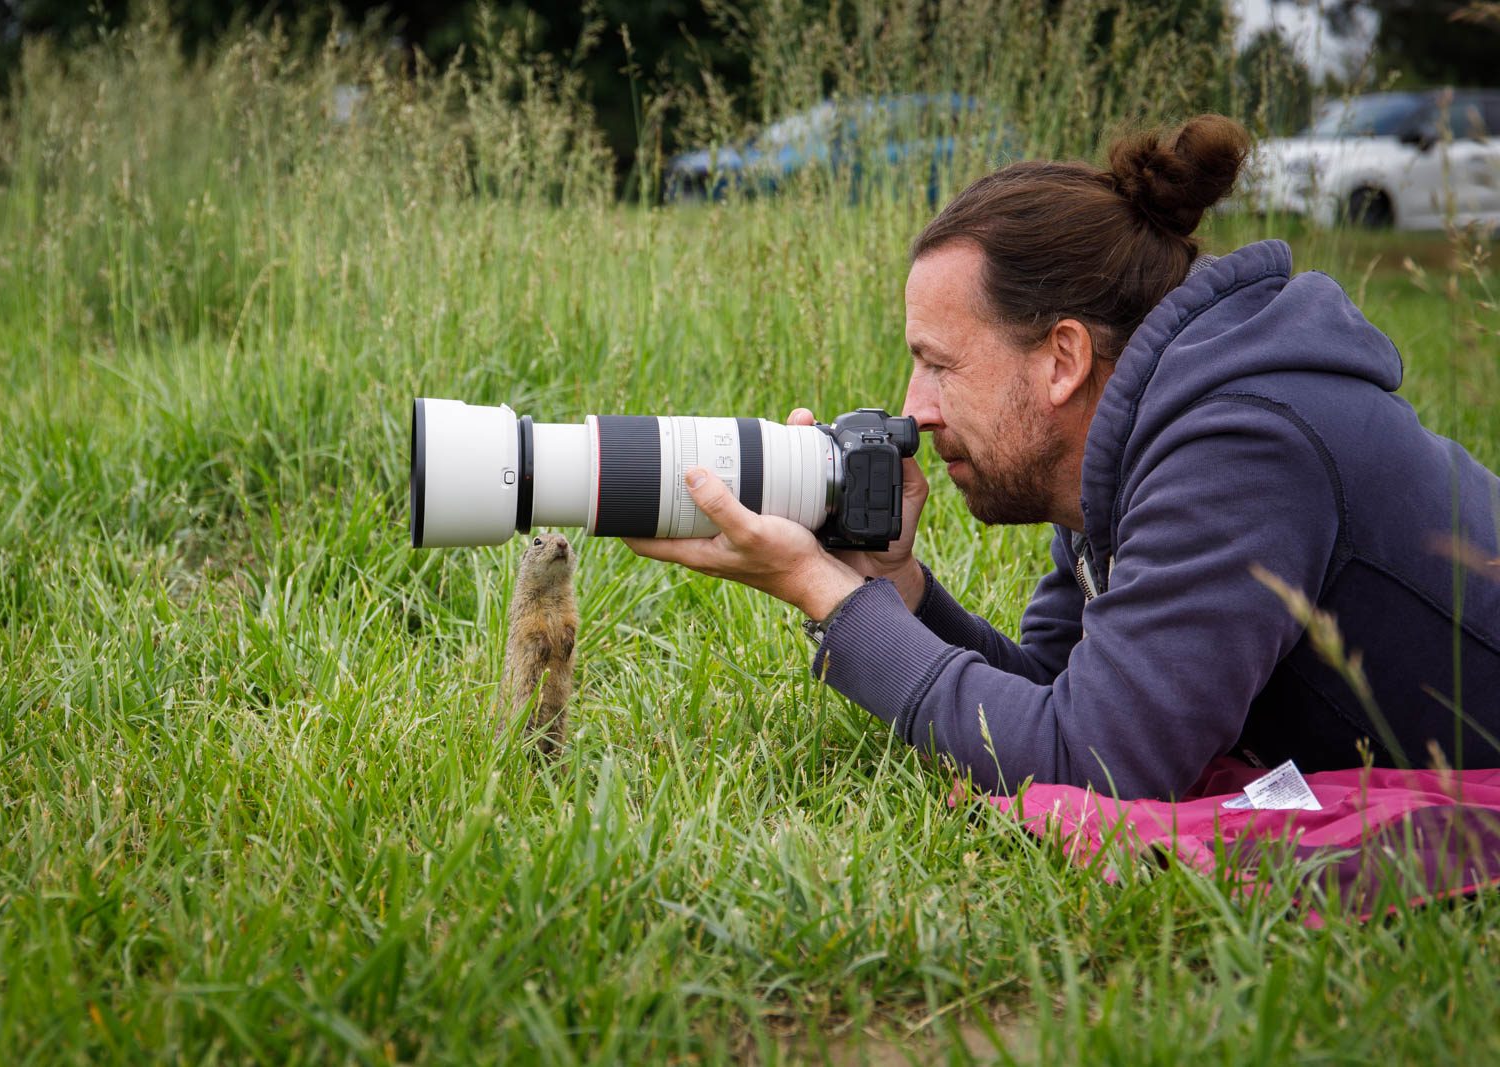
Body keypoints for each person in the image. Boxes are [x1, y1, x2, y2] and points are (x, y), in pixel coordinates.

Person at [625, 114, 1500, 800]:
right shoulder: (1136, 447)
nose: (913, 409)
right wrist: (897, 594)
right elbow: (1055, 695)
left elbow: (1093, 763)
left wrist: (829, 600)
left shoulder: (1242, 443)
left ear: (1064, 359)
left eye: (938, 363)